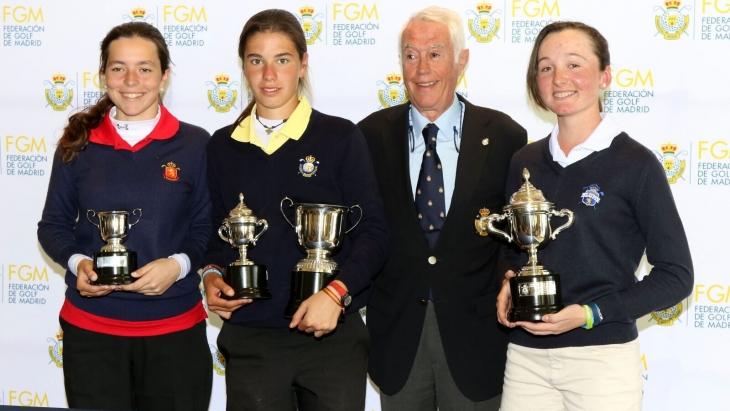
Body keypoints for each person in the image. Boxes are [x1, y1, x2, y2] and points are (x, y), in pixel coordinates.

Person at [496, 21, 694, 411]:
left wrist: (590, 314)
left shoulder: (636, 164)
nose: (559, 78)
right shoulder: (525, 161)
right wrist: (507, 281)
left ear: (605, 76)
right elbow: (517, 252)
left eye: (574, 64)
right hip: (526, 359)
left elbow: (677, 275)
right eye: (546, 66)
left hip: (601, 361)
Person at [200, 9, 388, 411]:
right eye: (256, 61)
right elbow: (213, 235)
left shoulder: (340, 137)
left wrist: (337, 294)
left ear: (302, 64)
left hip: (331, 339)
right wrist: (212, 275)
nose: (269, 75)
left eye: (282, 60)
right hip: (252, 338)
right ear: (244, 67)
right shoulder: (222, 146)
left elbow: (373, 233)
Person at [37, 22, 212, 411]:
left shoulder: (196, 144)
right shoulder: (77, 143)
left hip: (175, 330)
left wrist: (179, 265)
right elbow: (52, 225)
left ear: (164, 77)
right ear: (103, 75)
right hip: (92, 332)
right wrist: (79, 262)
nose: (131, 80)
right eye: (118, 68)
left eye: (145, 68)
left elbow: (205, 228)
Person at [358, 6, 527, 410]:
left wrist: (510, 278)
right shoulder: (368, 135)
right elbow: (364, 231)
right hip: (398, 340)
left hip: (477, 342)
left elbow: (517, 236)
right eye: (410, 55)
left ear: (461, 60)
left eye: (435, 53)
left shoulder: (505, 136)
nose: (421, 68)